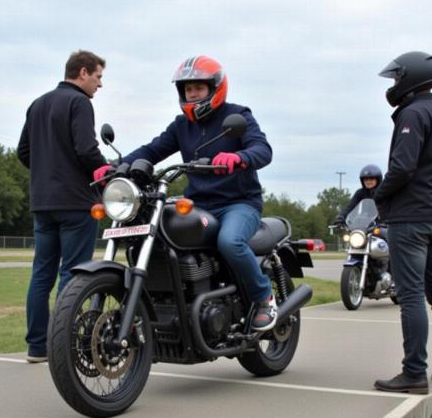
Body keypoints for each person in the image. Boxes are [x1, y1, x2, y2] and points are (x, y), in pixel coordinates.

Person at [112, 55, 277, 330]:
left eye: (198, 88)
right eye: (188, 89)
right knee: (161, 236)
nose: (192, 94)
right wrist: (116, 166)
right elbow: (152, 150)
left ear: (215, 88)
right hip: (199, 204)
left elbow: (263, 150)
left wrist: (239, 158)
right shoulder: (181, 126)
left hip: (238, 203)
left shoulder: (238, 115)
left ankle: (263, 298)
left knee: (230, 242)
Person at [372, 51, 432, 394]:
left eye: (397, 79)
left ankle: (414, 372)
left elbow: (402, 167)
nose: (394, 85)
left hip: (411, 217)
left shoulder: (411, 114)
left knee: (411, 294)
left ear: (410, 79)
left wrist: (380, 197)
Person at [17, 50, 110, 363]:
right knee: (73, 274)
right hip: (75, 202)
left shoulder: (38, 104)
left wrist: (48, 170)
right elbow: (87, 149)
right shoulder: (79, 103)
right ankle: (64, 347)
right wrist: (108, 173)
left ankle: (37, 347)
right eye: (98, 77)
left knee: (41, 274)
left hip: (43, 203)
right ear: (82, 73)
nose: (99, 85)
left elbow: (23, 151)